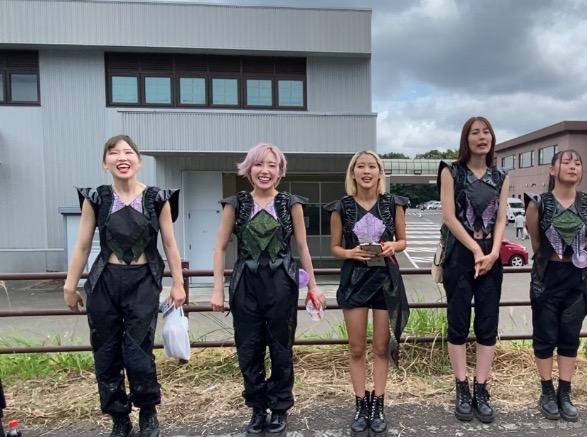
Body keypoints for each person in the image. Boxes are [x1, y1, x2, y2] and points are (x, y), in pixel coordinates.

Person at [63, 135, 185, 437]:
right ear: (105, 163)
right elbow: (82, 246)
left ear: (139, 162)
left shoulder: (158, 198)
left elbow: (169, 243)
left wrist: (178, 283)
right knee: (105, 355)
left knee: (137, 353)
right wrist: (69, 285)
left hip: (143, 282)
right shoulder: (97, 198)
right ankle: (119, 416)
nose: (122, 157)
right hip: (104, 283)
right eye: (114, 153)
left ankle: (147, 412)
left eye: (128, 152)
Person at [210, 143, 325, 437]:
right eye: (259, 165)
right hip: (245, 283)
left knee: (281, 348)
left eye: (272, 165)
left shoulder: (291, 204)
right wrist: (217, 290)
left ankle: (279, 409)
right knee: (248, 349)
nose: (265, 171)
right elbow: (220, 247)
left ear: (280, 171)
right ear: (249, 169)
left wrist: (312, 285)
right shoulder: (235, 204)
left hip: (282, 284)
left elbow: (302, 246)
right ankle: (257, 409)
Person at [325, 151, 410, 437]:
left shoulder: (394, 203)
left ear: (380, 173)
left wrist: (392, 247)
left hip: (385, 280)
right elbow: (335, 247)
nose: (366, 171)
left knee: (382, 348)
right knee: (357, 348)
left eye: (371, 166)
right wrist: (350, 252)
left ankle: (379, 403)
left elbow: (403, 241)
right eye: (360, 166)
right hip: (354, 280)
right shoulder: (341, 207)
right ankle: (361, 403)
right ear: (352, 173)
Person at [438, 116, 509, 424]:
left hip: (491, 258)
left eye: (486, 132)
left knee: (487, 324)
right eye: (475, 132)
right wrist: (477, 250)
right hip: (460, 255)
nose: (482, 137)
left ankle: (481, 387)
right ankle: (461, 387)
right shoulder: (451, 171)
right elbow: (450, 217)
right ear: (466, 139)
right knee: (457, 322)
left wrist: (493, 252)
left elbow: (503, 218)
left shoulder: (501, 175)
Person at [524, 149, 587, 423]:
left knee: (570, 336)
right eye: (566, 162)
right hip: (547, 275)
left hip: (577, 277)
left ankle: (565, 392)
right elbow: (536, 243)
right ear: (552, 170)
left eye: (577, 163)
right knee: (545, 335)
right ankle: (546, 390)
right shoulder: (539, 203)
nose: (572, 167)